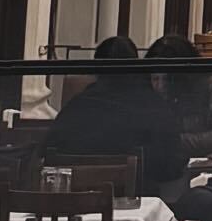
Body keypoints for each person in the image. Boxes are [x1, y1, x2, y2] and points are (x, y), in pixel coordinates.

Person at [45, 34, 190, 186]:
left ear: (96, 71)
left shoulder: (77, 106)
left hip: (77, 196)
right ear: (136, 68)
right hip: (138, 196)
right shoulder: (153, 106)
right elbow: (173, 164)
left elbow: (49, 153)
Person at [146, 33, 212, 156]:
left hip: (198, 160)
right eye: (155, 79)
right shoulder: (147, 91)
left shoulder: (211, 85)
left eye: (168, 79)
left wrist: (175, 142)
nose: (161, 86)